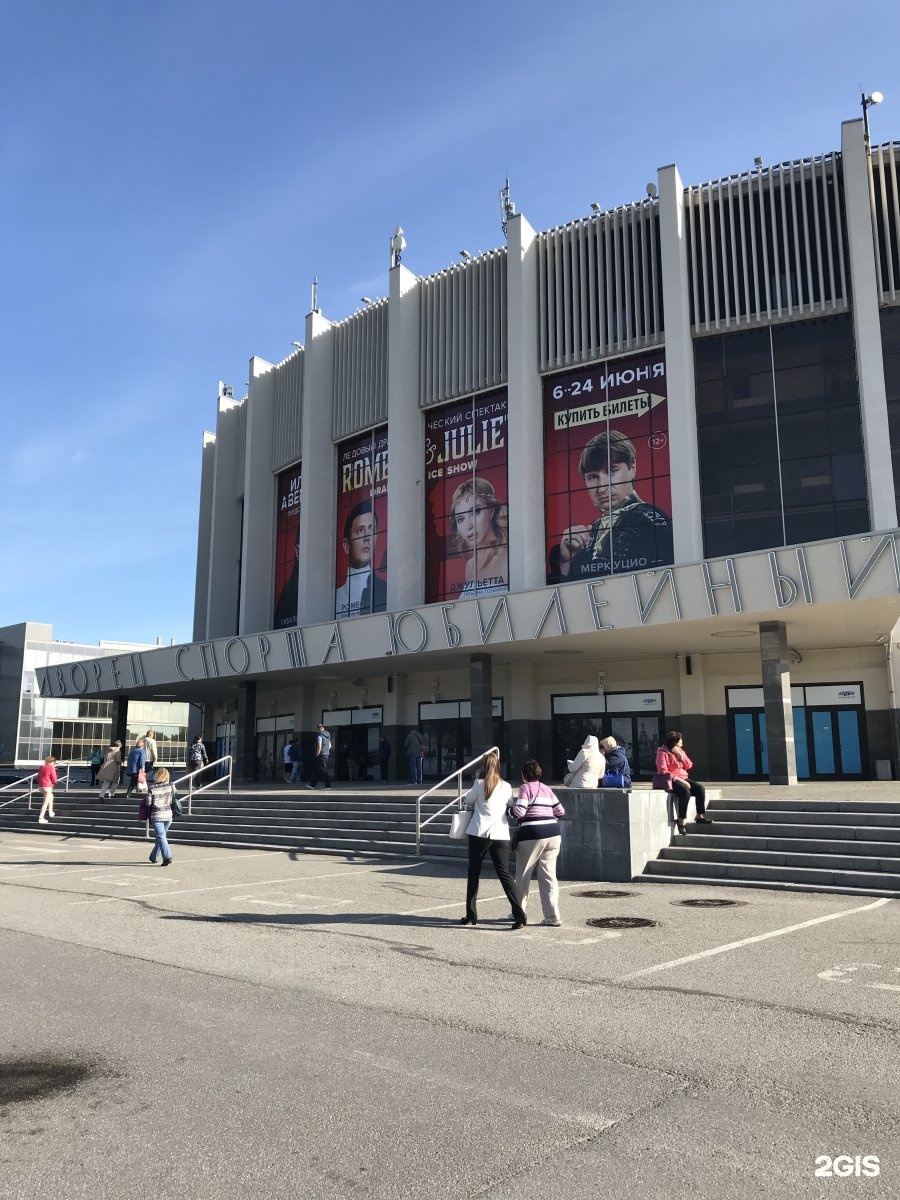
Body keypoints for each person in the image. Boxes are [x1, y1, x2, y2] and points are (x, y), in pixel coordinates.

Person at [551, 429, 673, 581]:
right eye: (593, 477)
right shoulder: (592, 531)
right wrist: (566, 562)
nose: (602, 487)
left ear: (632, 468)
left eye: (612, 471)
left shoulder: (651, 521)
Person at [460, 750, 527, 929]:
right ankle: (519, 913)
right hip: (500, 833)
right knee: (505, 874)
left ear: (483, 767)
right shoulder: (505, 786)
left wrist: (476, 779)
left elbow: (468, 801)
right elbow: (511, 804)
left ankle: (471, 913)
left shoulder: (479, 783)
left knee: (473, 873)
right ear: (498, 766)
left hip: (479, 832)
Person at [513, 759, 566, 927]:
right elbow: (560, 811)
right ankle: (553, 915)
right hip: (553, 833)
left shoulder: (525, 788)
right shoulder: (547, 789)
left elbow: (520, 811)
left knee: (523, 874)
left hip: (532, 834)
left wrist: (509, 809)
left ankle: (519, 913)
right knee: (549, 876)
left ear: (523, 775)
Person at [449, 477, 509, 598]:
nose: (469, 526)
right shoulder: (470, 566)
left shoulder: (507, 559)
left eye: (475, 512)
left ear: (491, 510)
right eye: (461, 519)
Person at [334, 501, 387, 620]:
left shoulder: (385, 590)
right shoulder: (334, 598)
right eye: (360, 530)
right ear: (346, 545)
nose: (367, 537)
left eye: (371, 529)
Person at [656, 730, 711, 835]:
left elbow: (689, 765)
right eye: (681, 741)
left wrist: (680, 757)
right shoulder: (662, 752)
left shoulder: (680, 751)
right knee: (685, 792)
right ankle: (681, 821)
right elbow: (662, 770)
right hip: (671, 779)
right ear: (675, 742)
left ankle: (700, 815)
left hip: (683, 777)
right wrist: (678, 779)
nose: (682, 743)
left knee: (700, 789)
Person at [146, 766, 177, 866]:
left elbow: (148, 803)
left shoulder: (152, 787)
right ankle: (154, 856)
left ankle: (167, 857)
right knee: (161, 837)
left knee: (161, 837)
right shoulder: (171, 785)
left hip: (157, 815)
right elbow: (174, 796)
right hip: (168, 815)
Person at [306, 723, 332, 789]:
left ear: (318, 729)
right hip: (326, 754)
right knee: (317, 769)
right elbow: (330, 745)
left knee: (323, 770)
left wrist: (317, 754)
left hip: (321, 755)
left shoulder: (319, 736)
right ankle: (312, 785)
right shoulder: (328, 734)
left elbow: (319, 746)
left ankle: (328, 786)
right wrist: (326, 750)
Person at [36, 755, 58, 824]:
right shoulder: (51, 767)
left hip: (40, 786)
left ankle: (51, 812)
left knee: (51, 797)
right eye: (54, 762)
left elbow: (37, 777)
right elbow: (54, 778)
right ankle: (41, 818)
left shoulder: (41, 767)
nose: (54, 763)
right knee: (45, 803)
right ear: (51, 761)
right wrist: (54, 782)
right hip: (47, 786)